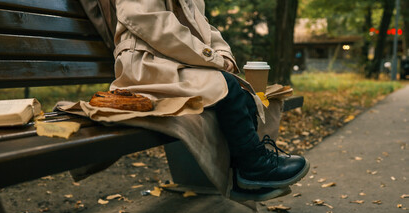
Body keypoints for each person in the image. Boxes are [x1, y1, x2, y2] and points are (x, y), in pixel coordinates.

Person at [110, 0, 309, 198]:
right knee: (226, 87)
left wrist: (224, 54)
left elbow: (205, 27)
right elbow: (150, 22)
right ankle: (254, 166)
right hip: (146, 65)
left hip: (176, 64)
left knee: (242, 93)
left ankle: (245, 178)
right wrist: (211, 57)